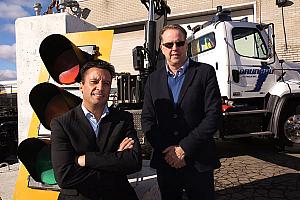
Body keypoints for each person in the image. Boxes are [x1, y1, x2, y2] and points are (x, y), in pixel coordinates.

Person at [141, 24, 222, 200]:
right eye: (169, 45)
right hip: (166, 161)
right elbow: (147, 120)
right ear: (162, 48)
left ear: (186, 45)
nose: (174, 48)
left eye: (179, 43)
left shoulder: (204, 73)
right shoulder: (153, 80)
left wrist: (184, 148)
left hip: (198, 159)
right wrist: (168, 151)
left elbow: (213, 115)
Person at [51, 59, 142, 200]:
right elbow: (64, 177)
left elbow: (134, 162)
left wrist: (86, 159)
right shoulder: (62, 124)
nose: (100, 87)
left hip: (118, 195)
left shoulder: (123, 119)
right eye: (94, 82)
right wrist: (115, 160)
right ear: (81, 86)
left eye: (106, 83)